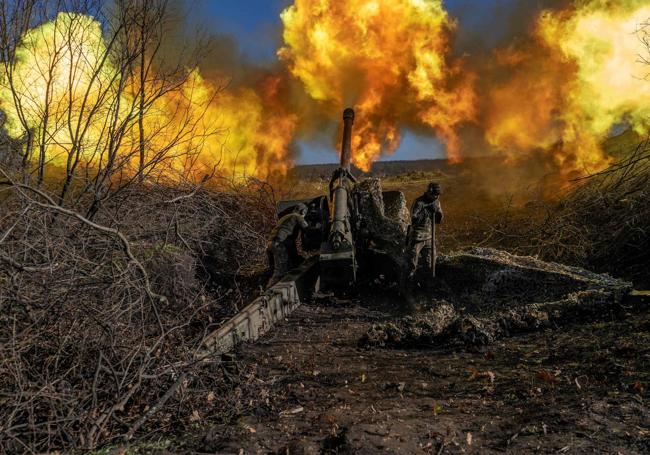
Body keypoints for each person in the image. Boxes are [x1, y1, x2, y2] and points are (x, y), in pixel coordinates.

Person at [403, 182, 443, 287]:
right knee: (411, 264)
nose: (436, 196)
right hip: (417, 237)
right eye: (434, 194)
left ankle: (427, 286)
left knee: (430, 263)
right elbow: (413, 219)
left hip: (429, 237)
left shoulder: (436, 202)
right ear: (428, 192)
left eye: (438, 194)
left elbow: (439, 220)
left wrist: (438, 213)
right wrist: (425, 211)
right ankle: (408, 287)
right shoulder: (419, 202)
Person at [267, 203, 309, 287]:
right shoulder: (297, 216)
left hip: (271, 243)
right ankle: (270, 289)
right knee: (280, 271)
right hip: (279, 244)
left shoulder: (285, 217)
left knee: (281, 268)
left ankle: (269, 285)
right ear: (303, 211)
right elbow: (307, 228)